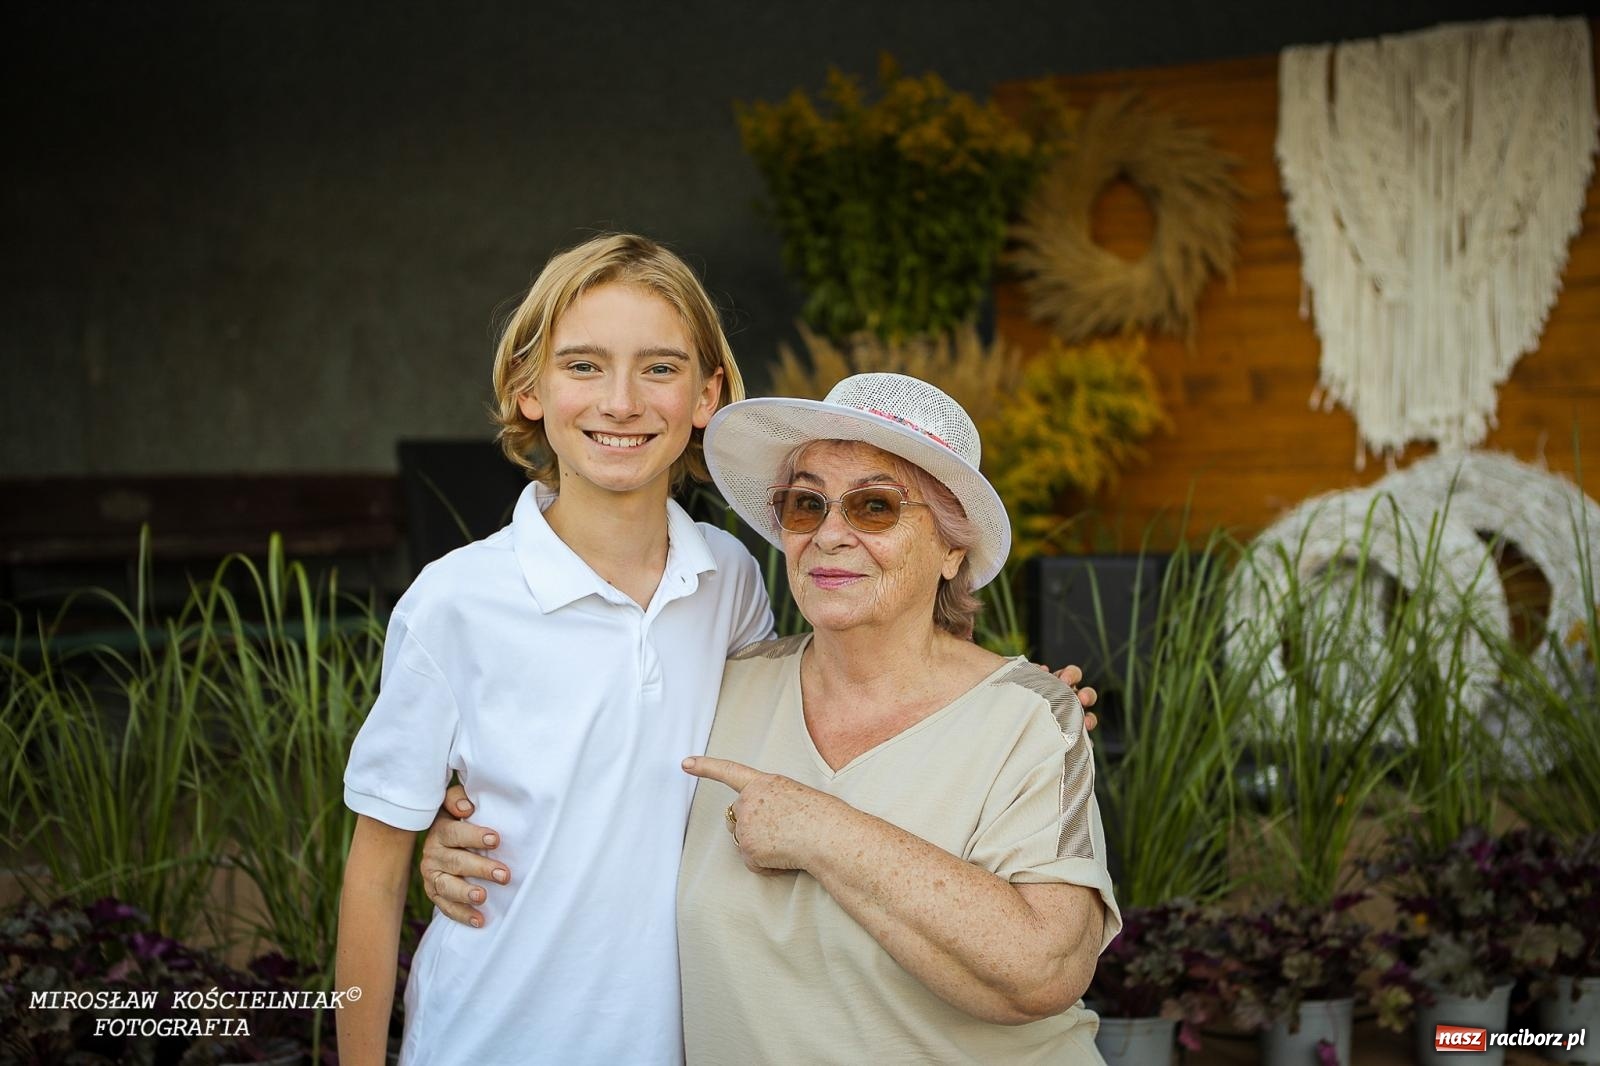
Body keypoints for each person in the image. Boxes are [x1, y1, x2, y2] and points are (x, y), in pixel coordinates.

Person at [427, 373, 1119, 1063]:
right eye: (805, 504)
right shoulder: (718, 690)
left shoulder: (1030, 716)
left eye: (874, 507)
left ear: (951, 548)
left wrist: (816, 827)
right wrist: (454, 832)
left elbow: (1046, 970)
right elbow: (579, 791)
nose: (830, 535)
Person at [335, 233, 773, 1066]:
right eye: (582, 366)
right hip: (490, 1039)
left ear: (708, 395)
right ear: (528, 389)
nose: (620, 401)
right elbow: (375, 876)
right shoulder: (455, 603)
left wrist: (1005, 704)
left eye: (659, 367)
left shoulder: (732, 580)